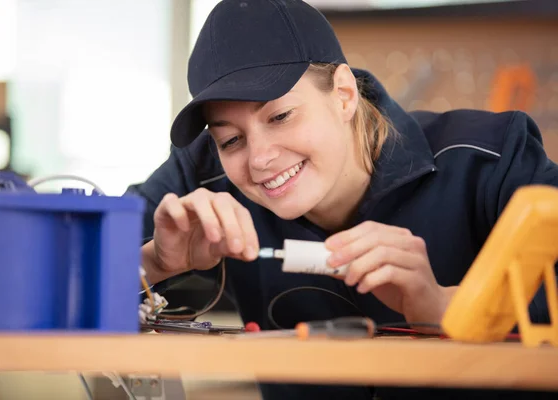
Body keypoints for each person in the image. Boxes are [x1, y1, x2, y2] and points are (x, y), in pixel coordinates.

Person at [127, 0, 558, 399]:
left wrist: (446, 307)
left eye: (280, 116)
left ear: (344, 95)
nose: (259, 160)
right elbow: (69, 276)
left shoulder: (491, 158)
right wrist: (155, 263)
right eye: (231, 138)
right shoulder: (206, 173)